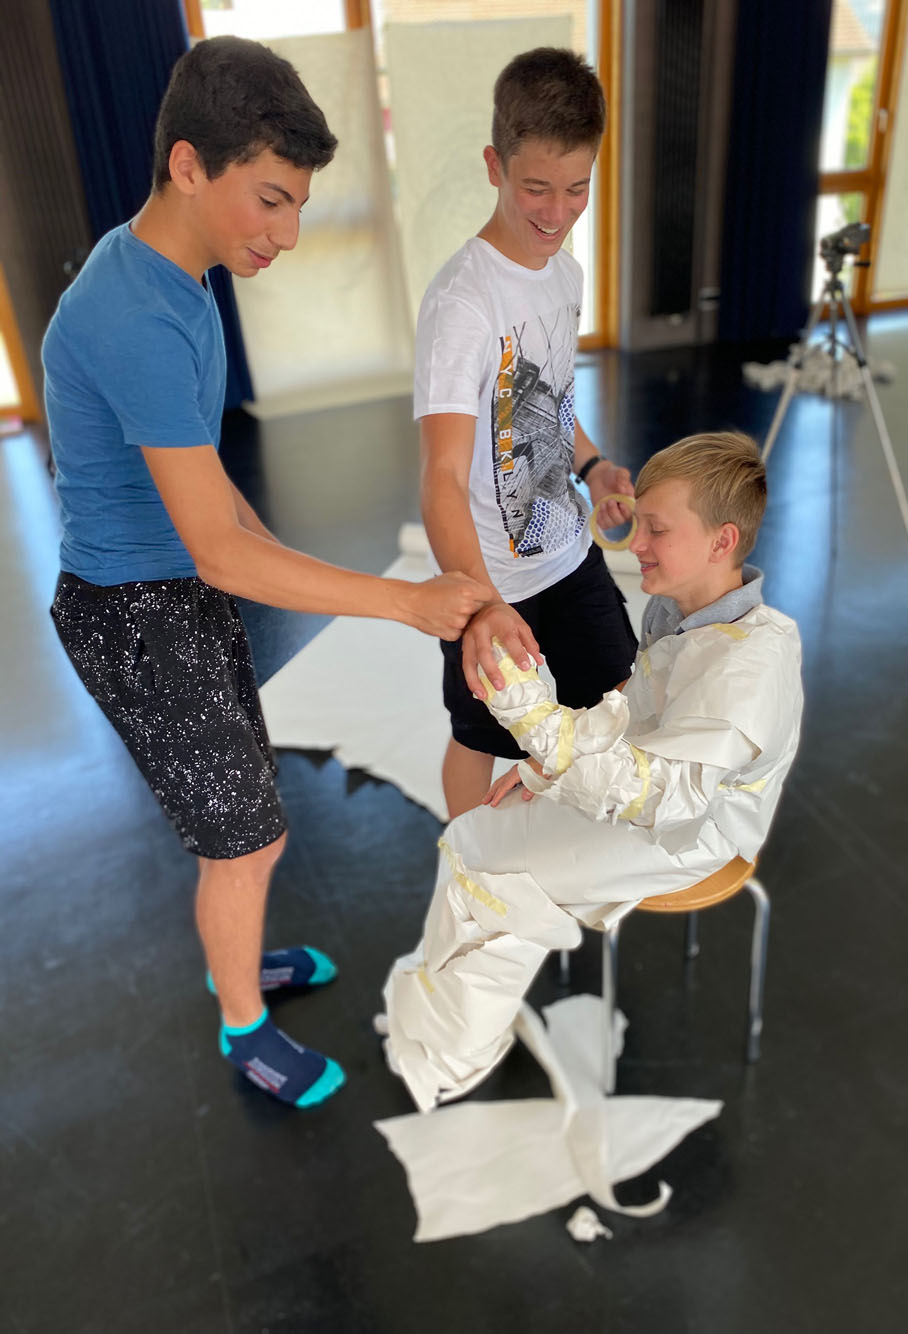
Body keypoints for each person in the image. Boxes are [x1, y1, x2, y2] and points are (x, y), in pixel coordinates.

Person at [43, 37, 489, 1109]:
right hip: (134, 616)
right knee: (244, 843)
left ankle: (235, 955)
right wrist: (404, 601)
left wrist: (292, 569)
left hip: (175, 591)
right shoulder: (134, 316)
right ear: (189, 166)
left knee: (249, 823)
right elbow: (217, 547)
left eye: (298, 206)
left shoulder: (175, 275)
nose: (287, 235)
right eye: (272, 200)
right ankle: (242, 1025)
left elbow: (216, 502)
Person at [382, 432, 804, 1112]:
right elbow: (634, 711)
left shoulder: (745, 667)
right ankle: (442, 1020)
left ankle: (449, 1058)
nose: (638, 545)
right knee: (476, 839)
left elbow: (665, 798)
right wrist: (545, 769)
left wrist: (534, 720)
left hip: (690, 834)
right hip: (657, 803)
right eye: (642, 524)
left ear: (722, 541)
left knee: (488, 868)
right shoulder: (685, 613)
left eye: (658, 530)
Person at [416, 46, 639, 818]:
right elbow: (441, 478)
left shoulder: (565, 275)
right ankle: (466, 862)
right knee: (481, 736)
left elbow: (544, 401)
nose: (556, 212)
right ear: (495, 165)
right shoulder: (462, 305)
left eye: (577, 189)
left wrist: (595, 466)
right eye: (536, 188)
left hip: (566, 548)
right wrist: (480, 607)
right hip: (490, 578)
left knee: (618, 695)